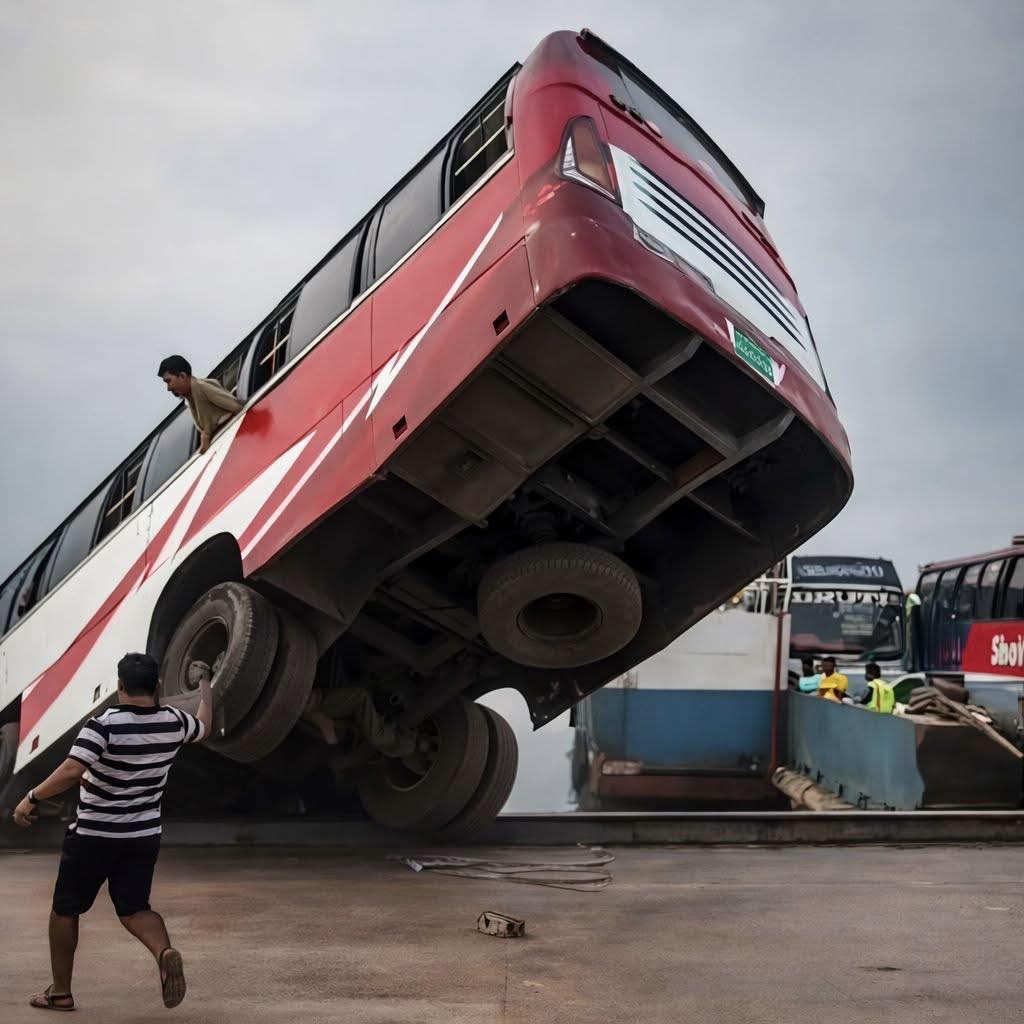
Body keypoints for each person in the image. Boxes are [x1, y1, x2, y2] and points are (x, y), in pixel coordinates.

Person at [12, 653, 213, 1011]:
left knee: (65, 909)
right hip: (142, 836)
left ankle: (60, 993)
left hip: (93, 836)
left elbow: (72, 770)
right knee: (135, 909)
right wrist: (206, 684)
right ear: (157, 686)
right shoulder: (174, 721)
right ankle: (163, 952)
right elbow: (204, 726)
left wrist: (31, 797)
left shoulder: (103, 725)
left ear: (119, 686)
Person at [158, 354, 243, 454]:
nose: (168, 388)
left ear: (182, 376)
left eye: (168, 381)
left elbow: (237, 407)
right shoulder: (189, 399)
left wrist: (207, 433)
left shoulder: (202, 387)